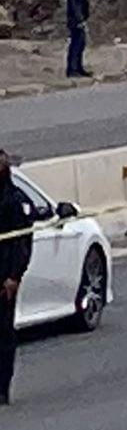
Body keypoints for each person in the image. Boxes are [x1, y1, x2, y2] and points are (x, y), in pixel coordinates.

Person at [0, 150, 35, 406]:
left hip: (3, 279)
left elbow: (23, 242)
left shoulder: (13, 201)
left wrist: (14, 276)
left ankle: (2, 387)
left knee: (3, 334)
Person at [64, 0, 92, 78]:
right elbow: (75, 6)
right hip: (76, 21)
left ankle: (79, 68)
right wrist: (80, 20)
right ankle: (72, 69)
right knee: (76, 45)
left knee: (81, 44)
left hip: (79, 20)